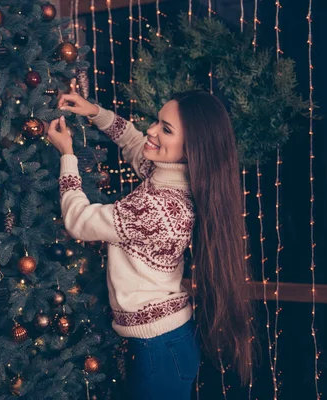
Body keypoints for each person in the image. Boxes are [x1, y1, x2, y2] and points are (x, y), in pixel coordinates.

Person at [46, 84, 254, 399]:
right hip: (164, 341)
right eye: (157, 121)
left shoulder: (157, 207)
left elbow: (79, 221)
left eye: (165, 129)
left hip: (160, 347)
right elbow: (133, 142)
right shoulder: (174, 173)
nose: (151, 130)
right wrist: (94, 112)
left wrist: (67, 155)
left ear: (192, 146)